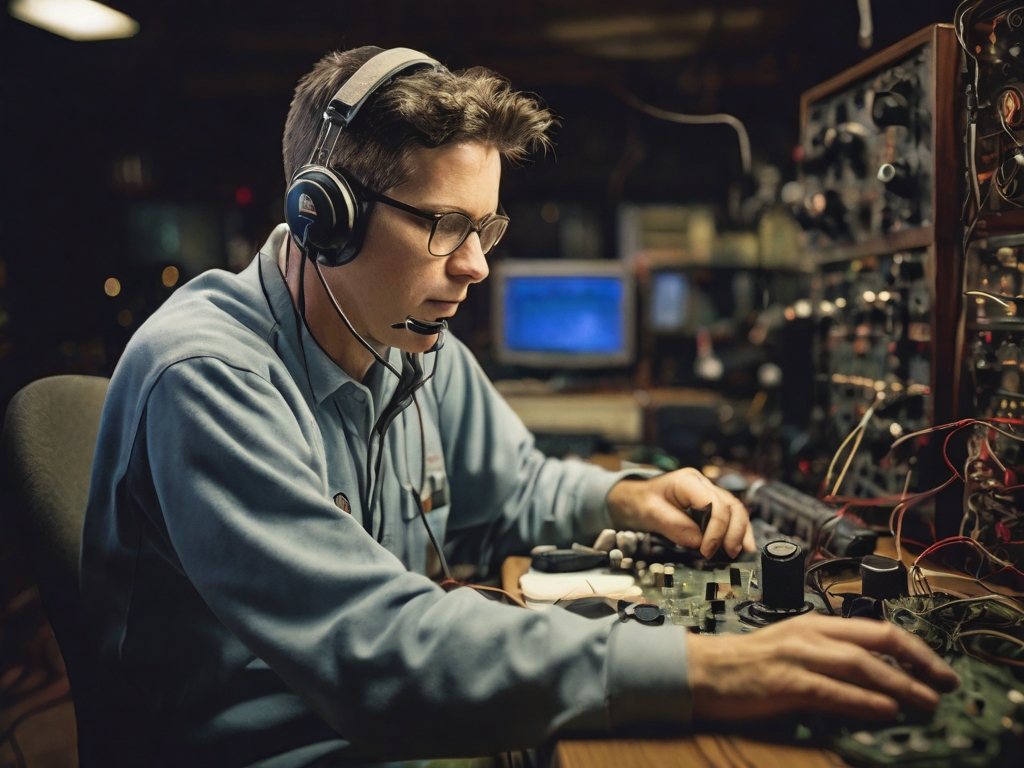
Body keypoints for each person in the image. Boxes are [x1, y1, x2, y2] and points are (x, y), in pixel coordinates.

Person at [81, 46, 959, 768]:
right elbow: (372, 647)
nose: (476, 267)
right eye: (445, 227)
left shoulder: (410, 342)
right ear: (326, 218)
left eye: (487, 229)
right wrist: (712, 666)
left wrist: (623, 497)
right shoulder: (207, 375)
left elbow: (516, 483)